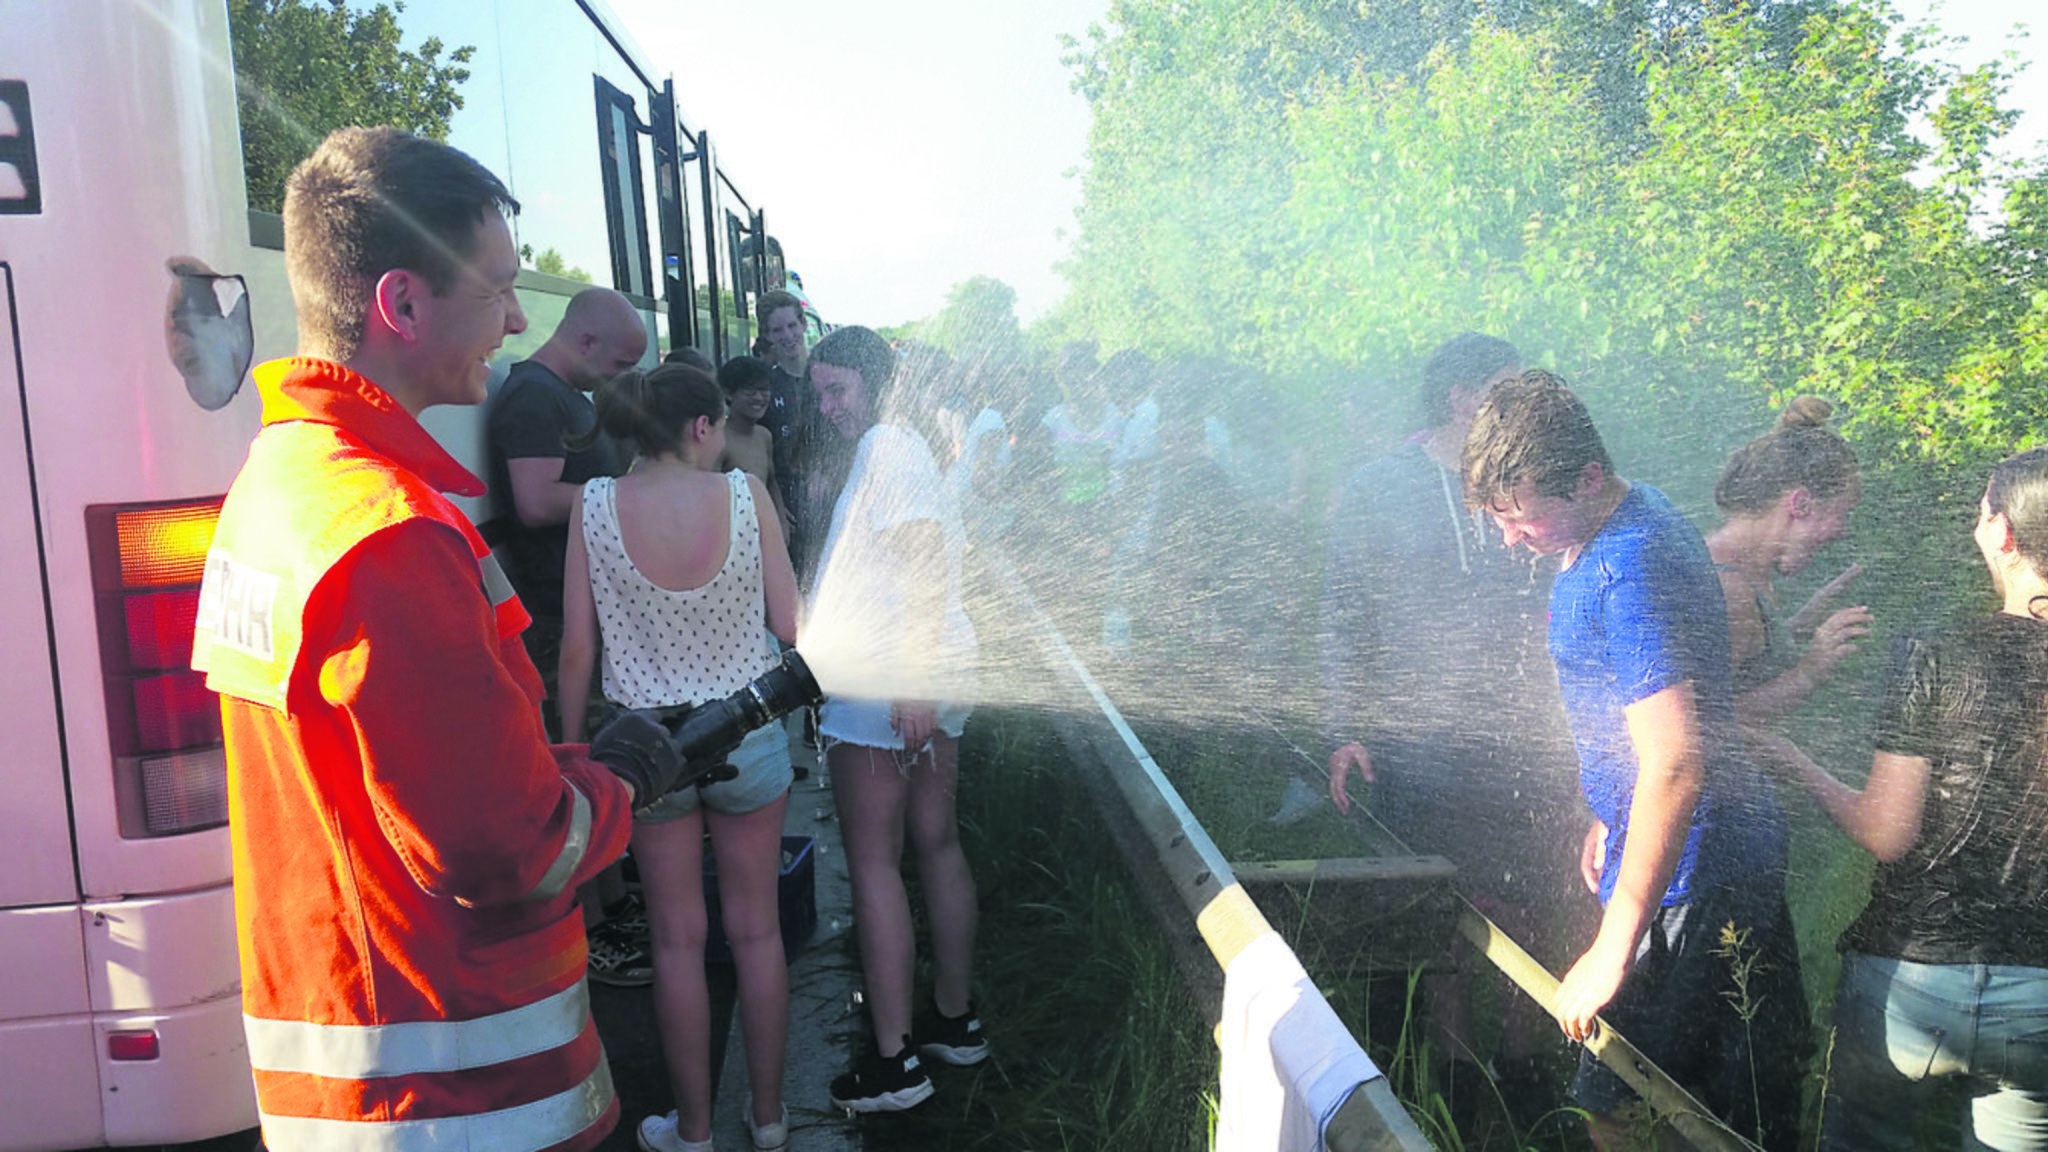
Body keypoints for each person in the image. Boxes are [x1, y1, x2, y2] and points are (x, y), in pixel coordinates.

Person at [189, 126, 688, 1150]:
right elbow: (507, 848)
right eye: (498, 289)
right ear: (404, 304)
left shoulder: (278, 488)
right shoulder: (391, 538)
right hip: (466, 1102)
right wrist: (620, 780)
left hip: (356, 1079)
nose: (513, 319)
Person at [1461, 370, 1808, 1149]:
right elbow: (1642, 716)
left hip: (1700, 867)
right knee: (1697, 1105)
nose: (1512, 539)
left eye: (1522, 519)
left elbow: (1677, 762)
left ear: (1587, 477)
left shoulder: (1630, 566)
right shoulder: (1617, 517)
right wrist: (1609, 807)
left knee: (1620, 1103)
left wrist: (1613, 949)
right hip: (1701, 847)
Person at [1319, 334, 1585, 1118]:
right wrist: (1343, 728)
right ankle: (1459, 1085)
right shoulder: (1378, 488)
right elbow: (1343, 615)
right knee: (1448, 914)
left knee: (1539, 906)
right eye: (1505, 391)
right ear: (1462, 398)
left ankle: (1528, 1074)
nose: (1522, 407)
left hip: (1534, 744)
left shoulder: (1532, 484)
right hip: (1423, 749)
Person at [1776, 446, 2048, 1152]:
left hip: (1912, 987)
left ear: (2003, 532)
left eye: (1984, 507)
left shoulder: (1936, 654)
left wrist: (1788, 754)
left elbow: (1886, 832)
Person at [558, 364, 799, 1152]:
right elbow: (792, 627)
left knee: (675, 942)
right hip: (750, 731)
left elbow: (577, 652)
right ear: (702, 426)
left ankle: (691, 1130)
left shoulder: (594, 506)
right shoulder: (743, 496)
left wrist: (575, 759)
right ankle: (768, 1120)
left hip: (651, 750)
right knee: (757, 932)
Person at [804, 326, 985, 1112]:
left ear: (876, 386)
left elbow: (919, 555)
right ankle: (952, 1021)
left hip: (888, 685)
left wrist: (911, 682)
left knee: (876, 861)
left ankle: (893, 1063)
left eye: (838, 389)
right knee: (936, 843)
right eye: (820, 393)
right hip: (919, 675)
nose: (828, 407)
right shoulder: (901, 444)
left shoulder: (886, 447)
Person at [487, 286, 655, 987]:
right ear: (584, 343)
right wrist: (632, 498)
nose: (615, 378)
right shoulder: (533, 397)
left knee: (594, 754)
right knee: (573, 761)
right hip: (553, 621)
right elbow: (533, 500)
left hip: (578, 612)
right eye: (615, 363)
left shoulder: (570, 397)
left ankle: (613, 905)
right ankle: (593, 930)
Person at [1707, 398, 1870, 743]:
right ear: (1800, 503)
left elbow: (1746, 662)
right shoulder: (1728, 589)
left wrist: (1799, 625)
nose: (1843, 531)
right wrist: (1808, 671)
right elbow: (1705, 725)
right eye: (1842, 512)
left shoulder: (1748, 574)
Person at [717, 354, 793, 534]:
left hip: (764, 530)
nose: (759, 398)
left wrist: (781, 519)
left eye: (764, 390)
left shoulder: (764, 435)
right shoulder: (718, 439)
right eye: (750, 391)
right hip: (734, 534)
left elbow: (771, 482)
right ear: (729, 393)